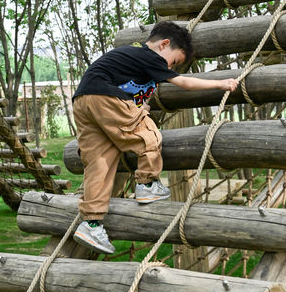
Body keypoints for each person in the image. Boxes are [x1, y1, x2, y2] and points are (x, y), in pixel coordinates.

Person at [72, 21, 239, 254]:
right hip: (106, 98)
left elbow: (127, 89)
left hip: (83, 101)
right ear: (164, 45)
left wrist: (136, 106)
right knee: (147, 134)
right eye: (175, 61)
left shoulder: (131, 59)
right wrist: (220, 83)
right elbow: (184, 83)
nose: (172, 67)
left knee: (100, 162)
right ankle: (147, 184)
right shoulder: (150, 56)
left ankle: (91, 223)